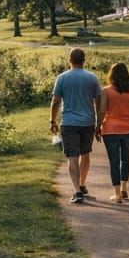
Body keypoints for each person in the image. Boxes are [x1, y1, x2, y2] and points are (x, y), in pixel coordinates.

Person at [50, 48, 102, 203]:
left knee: (72, 157)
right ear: (84, 60)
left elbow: (56, 101)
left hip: (69, 122)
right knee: (85, 154)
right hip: (88, 122)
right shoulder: (92, 78)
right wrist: (98, 122)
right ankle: (82, 184)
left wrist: (52, 121)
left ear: (69, 60)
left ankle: (77, 191)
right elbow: (98, 101)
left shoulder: (62, 78)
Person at [97, 62, 129, 203]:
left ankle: (117, 194)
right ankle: (124, 188)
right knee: (125, 159)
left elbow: (101, 111)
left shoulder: (106, 91)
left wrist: (97, 127)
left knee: (114, 160)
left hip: (110, 129)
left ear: (111, 75)